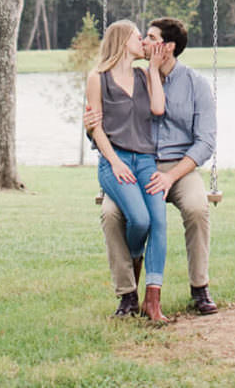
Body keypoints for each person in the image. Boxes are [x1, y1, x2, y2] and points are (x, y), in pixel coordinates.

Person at [86, 17, 220, 316]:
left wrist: (171, 176)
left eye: (149, 37)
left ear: (167, 47)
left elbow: (205, 143)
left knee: (198, 208)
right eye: (141, 37)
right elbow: (110, 118)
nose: (144, 42)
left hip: (177, 166)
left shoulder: (195, 84)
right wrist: (90, 127)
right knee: (110, 214)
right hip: (135, 164)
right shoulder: (137, 75)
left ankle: (199, 287)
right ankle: (127, 295)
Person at [85, 18, 170, 322]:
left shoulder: (143, 75)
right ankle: (134, 260)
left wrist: (153, 70)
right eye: (138, 37)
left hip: (146, 161)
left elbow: (158, 108)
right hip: (115, 160)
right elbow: (95, 128)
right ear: (123, 42)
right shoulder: (98, 77)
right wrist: (116, 162)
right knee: (139, 219)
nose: (142, 42)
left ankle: (153, 300)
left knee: (157, 221)